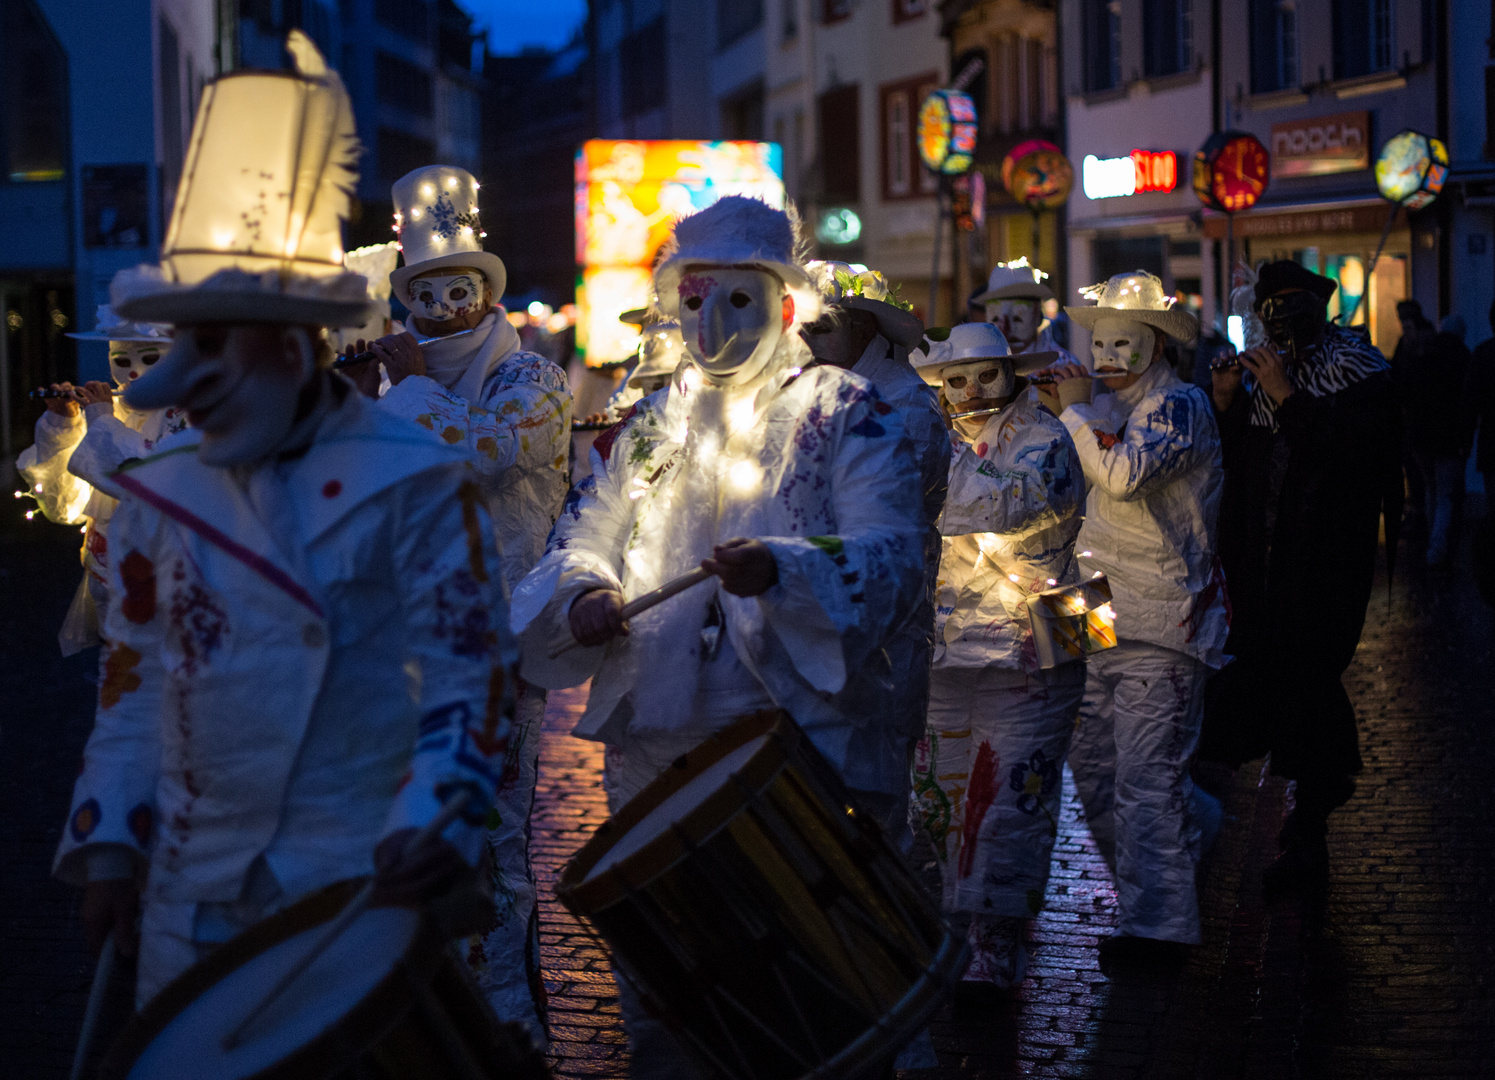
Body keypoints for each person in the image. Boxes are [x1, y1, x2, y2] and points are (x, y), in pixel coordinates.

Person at [53, 33, 518, 1008]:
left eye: (216, 347)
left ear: (299, 345)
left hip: (365, 888)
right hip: (195, 898)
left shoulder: (420, 485)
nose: (184, 385)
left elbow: (466, 686)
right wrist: (107, 845)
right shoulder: (162, 491)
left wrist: (434, 823)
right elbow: (131, 683)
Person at [509, 196, 926, 1078]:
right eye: (694, 301)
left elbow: (893, 552)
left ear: (782, 303)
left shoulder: (843, 408)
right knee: (664, 964)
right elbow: (587, 525)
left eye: (735, 300)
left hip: (783, 728)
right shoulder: (655, 422)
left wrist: (786, 566)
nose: (709, 323)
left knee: (806, 955)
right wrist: (587, 586)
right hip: (654, 728)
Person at [341, 164, 573, 1038]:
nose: (443, 309)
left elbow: (483, 454)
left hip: (499, 647)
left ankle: (508, 1025)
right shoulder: (394, 390)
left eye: (459, 290)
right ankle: (430, 1027)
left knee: (494, 842)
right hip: (406, 652)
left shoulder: (535, 384)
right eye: (426, 294)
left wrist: (404, 392)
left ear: (487, 294)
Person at [1044, 271, 1227, 963]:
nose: (1108, 356)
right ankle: (1180, 852)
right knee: (1087, 767)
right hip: (1081, 602)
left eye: (1124, 342)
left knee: (1146, 776)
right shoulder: (1099, 407)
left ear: (1158, 345)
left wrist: (1071, 411)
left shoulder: (1180, 406)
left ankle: (1161, 927)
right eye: (1100, 342)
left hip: (1160, 611)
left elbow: (1121, 475)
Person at [1201, 259, 1400, 895]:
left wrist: (1288, 397)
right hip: (1262, 570)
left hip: (1323, 569)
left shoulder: (1358, 369)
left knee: (1308, 684)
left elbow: (1351, 461)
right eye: (1272, 305)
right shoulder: (1262, 371)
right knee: (1262, 686)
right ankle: (1248, 824)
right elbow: (1241, 467)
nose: (1282, 316)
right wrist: (1230, 403)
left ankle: (1308, 830)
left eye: (1294, 302)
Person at [907, 321, 1083, 991]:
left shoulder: (1048, 437)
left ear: (1012, 375)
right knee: (938, 802)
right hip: (943, 651)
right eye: (955, 379)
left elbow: (1010, 503)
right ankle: (953, 934)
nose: (971, 390)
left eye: (986, 375)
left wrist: (927, 463)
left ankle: (997, 942)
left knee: (1010, 800)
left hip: (1039, 642)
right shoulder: (930, 438)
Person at [801, 260, 949, 832]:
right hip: (825, 620)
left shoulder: (905, 406)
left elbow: (872, 519)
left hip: (887, 628)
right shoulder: (819, 393)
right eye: (805, 329)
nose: (809, 342)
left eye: (823, 327)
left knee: (876, 796)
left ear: (865, 326)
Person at [18, 307, 188, 654]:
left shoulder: (190, 413)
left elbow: (151, 483)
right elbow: (63, 507)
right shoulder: (111, 409)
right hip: (106, 586)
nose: (134, 371)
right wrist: (62, 424)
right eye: (121, 360)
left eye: (150, 357)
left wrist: (101, 422)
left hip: (171, 589)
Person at [1392, 310, 1471, 566]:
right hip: (1449, 439)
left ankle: (1431, 542)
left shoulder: (1422, 358)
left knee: (1430, 488)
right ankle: (1437, 548)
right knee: (1446, 493)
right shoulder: (1463, 358)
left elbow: (1404, 392)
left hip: (1420, 437)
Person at [973, 258, 1079, 367]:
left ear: (1037, 314)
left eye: (1017, 317)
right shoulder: (981, 367)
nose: (1005, 329)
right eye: (995, 317)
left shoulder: (1063, 366)